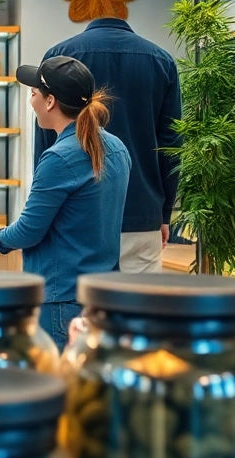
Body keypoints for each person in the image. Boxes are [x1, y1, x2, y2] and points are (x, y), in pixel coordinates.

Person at [0, 56, 130, 349]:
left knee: (59, 384)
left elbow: (29, 230)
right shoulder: (117, 148)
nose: (31, 101)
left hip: (61, 300)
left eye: (33, 93)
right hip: (102, 295)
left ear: (50, 101)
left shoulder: (59, 158)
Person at [34, 17, 181, 273]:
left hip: (76, 220)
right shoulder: (162, 60)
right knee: (139, 308)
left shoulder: (61, 56)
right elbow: (171, 144)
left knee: (81, 307)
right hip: (142, 213)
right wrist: (163, 214)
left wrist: (42, 213)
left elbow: (47, 144)